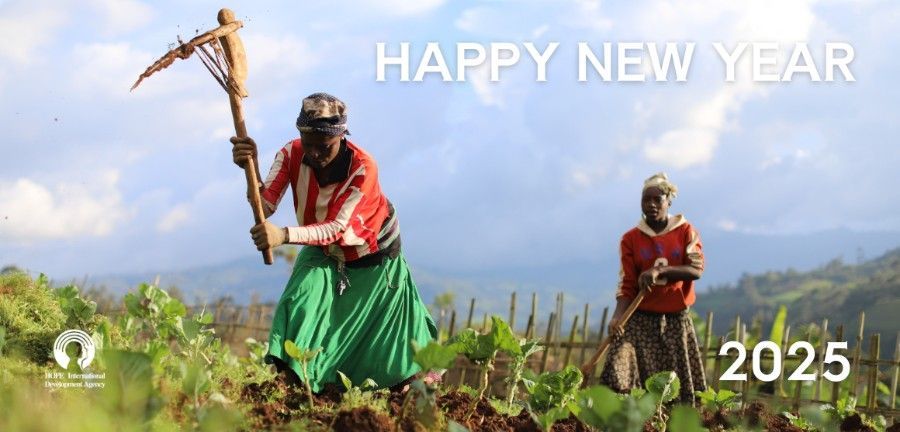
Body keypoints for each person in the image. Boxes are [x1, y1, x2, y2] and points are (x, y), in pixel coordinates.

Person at [231, 92, 437, 393]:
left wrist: (283, 236)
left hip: (373, 252)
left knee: (392, 343)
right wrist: (250, 168)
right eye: (309, 144)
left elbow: (339, 229)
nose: (314, 153)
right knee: (300, 299)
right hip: (323, 248)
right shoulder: (291, 154)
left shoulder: (363, 168)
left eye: (323, 146)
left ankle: (410, 384)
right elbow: (265, 204)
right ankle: (291, 380)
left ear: (341, 137)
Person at [599, 172, 707, 403]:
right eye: (645, 200)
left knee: (675, 385)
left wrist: (660, 271)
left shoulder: (686, 231)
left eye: (657, 199)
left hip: (676, 319)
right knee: (618, 364)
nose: (651, 204)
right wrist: (618, 317)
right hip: (639, 318)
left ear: (669, 201)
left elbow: (696, 270)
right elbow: (627, 283)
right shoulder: (631, 239)